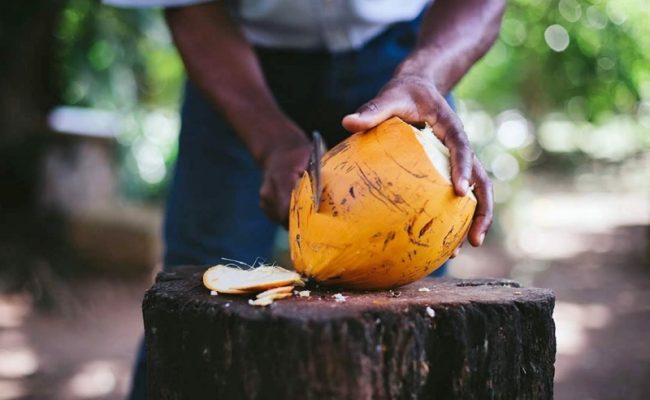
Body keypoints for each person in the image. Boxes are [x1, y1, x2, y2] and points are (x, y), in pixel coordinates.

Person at [105, 0, 504, 398]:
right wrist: (269, 140)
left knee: (408, 307)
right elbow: (188, 10)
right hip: (238, 59)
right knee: (198, 297)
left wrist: (427, 76)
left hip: (409, 56)